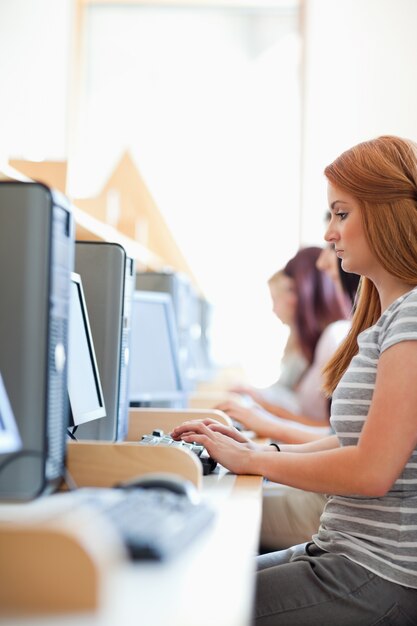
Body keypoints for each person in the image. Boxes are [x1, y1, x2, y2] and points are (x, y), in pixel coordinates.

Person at [171, 135, 417, 624]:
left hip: (376, 573)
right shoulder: (389, 318)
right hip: (343, 552)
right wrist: (257, 451)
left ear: (387, 212)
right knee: (193, 578)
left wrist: (254, 459)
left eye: (341, 214)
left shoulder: (411, 319)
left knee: (189, 604)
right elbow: (344, 440)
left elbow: (372, 470)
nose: (329, 234)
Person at [218, 246, 360, 439]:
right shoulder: (318, 344)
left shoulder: (335, 336)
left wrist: (264, 413)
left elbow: (335, 434)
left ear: (303, 292)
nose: (275, 309)